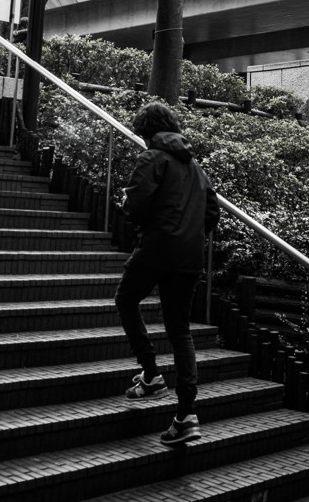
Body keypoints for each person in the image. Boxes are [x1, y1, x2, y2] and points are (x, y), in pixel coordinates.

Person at [115, 101, 220, 446]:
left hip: (157, 248)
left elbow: (137, 205)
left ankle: (151, 372)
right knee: (180, 329)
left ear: (147, 132)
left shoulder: (152, 159)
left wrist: (135, 215)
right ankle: (186, 414)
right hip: (189, 256)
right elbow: (212, 212)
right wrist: (192, 235)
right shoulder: (198, 168)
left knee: (126, 299)